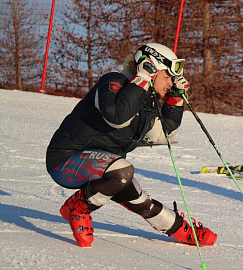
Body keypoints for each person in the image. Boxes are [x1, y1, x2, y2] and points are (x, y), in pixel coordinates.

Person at [46, 43, 217, 248]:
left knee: (143, 202)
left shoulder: (146, 99)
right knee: (123, 173)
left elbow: (163, 134)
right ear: (150, 68)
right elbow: (116, 117)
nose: (171, 82)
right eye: (168, 76)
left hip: (106, 167)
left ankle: (183, 231)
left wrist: (175, 99)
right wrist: (142, 79)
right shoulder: (113, 81)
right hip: (66, 160)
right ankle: (77, 208)